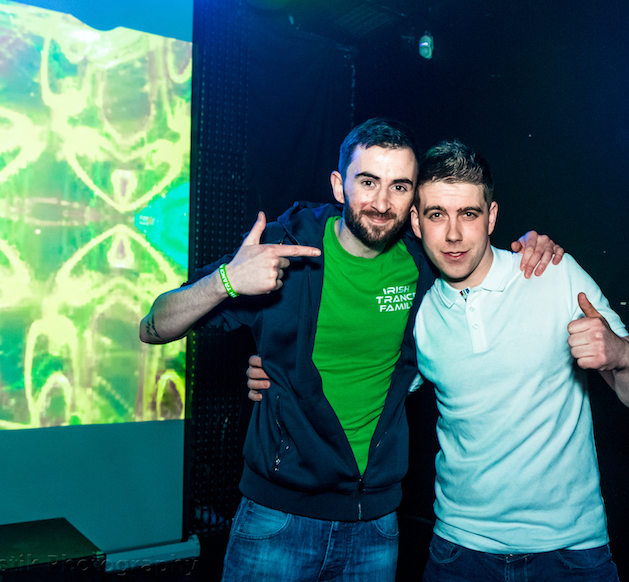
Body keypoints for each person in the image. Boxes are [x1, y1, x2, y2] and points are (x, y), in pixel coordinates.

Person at [139, 118, 564, 582]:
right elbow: (154, 325)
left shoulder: (424, 264)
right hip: (277, 518)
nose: (381, 203)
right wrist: (228, 281)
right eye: (367, 182)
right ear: (339, 185)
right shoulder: (284, 249)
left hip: (375, 526)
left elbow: (477, 254)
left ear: (414, 200)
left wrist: (534, 247)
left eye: (399, 187)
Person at [408, 140, 629, 582]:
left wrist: (622, 356)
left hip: (571, 552)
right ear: (415, 221)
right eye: (436, 215)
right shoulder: (416, 312)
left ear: (491, 217)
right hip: (459, 551)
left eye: (468, 214)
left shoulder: (554, 274)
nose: (453, 234)